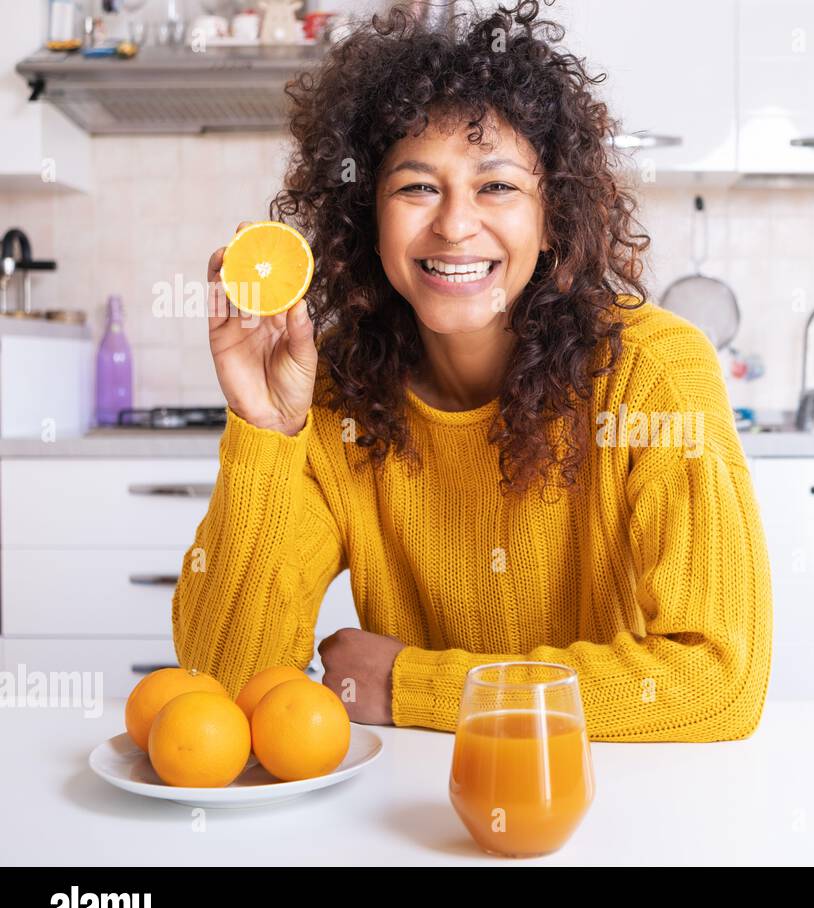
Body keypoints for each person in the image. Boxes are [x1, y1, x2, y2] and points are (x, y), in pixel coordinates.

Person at [173, 0, 772, 742]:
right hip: (403, 815)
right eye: (417, 187)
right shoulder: (333, 399)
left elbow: (718, 681)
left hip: (610, 799)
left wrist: (415, 686)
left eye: (497, 186)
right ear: (368, 216)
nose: (455, 225)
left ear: (553, 215)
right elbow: (224, 683)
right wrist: (267, 431)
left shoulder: (651, 374)